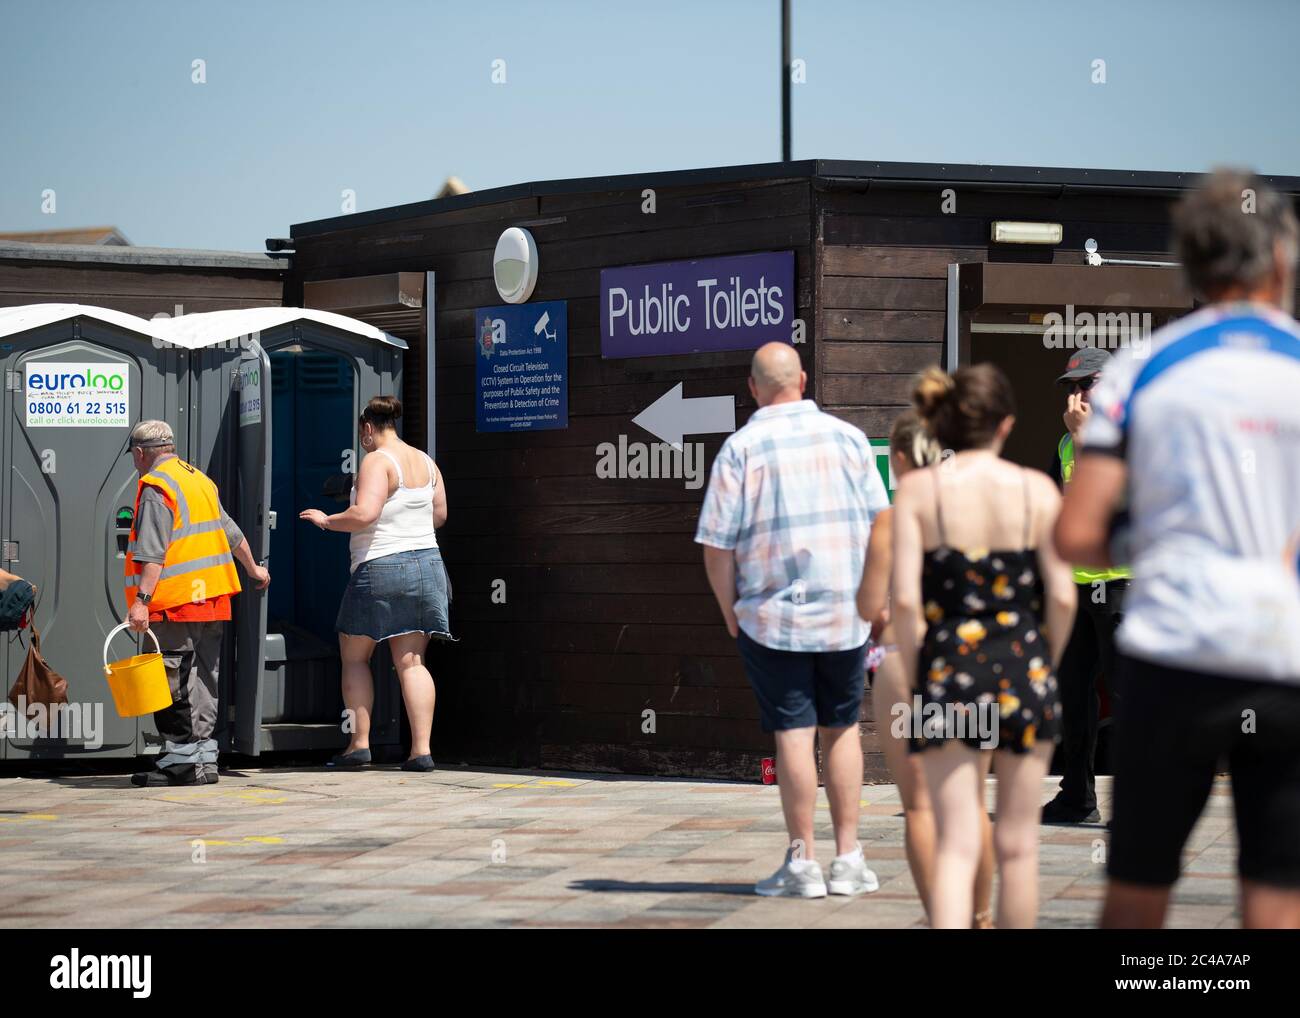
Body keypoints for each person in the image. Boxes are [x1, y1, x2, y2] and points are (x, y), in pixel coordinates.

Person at [1055, 169, 1300, 929]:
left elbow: (1077, 533)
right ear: (1282, 262)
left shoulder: (1139, 370)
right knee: (1275, 893)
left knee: (1136, 892)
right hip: (1279, 658)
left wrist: (1167, 537)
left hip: (1173, 656)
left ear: (1191, 269)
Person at [697, 342, 890, 898]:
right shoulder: (849, 439)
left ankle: (802, 863)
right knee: (844, 727)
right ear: (803, 379)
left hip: (772, 617)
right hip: (845, 613)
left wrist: (730, 609)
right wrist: (877, 600)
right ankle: (850, 858)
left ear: (753, 388)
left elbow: (716, 545)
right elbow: (884, 525)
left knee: (794, 733)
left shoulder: (741, 447)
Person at [892, 366, 1076, 928]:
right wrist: (1043, 662)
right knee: (1019, 846)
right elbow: (1064, 596)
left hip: (950, 668)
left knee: (956, 842)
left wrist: (925, 671)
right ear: (1006, 425)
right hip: (1024, 666)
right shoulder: (1037, 489)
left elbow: (903, 601)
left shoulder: (919, 491)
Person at [857, 410, 996, 927]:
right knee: (971, 805)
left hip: (908, 661)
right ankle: (979, 915)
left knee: (919, 807)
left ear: (897, 459)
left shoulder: (892, 520)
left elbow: (869, 604)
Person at [300, 396, 450, 773]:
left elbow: (364, 514)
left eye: (361, 433)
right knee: (412, 661)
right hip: (429, 565)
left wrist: (326, 520)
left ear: (368, 428)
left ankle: (359, 744)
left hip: (381, 565)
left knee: (355, 656)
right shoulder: (426, 462)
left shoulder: (376, 460)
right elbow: (439, 514)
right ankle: (421, 752)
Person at [123, 420, 270, 787]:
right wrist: (254, 570)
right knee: (204, 678)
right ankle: (203, 760)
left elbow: (153, 552)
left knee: (172, 680)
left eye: (134, 457)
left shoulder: (157, 487)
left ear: (141, 454)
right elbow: (231, 531)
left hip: (176, 603)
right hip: (213, 600)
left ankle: (179, 761)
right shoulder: (199, 480)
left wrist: (142, 601)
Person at [1041, 347, 1132, 825]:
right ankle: (1076, 797)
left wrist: (1082, 440)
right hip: (1077, 588)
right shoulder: (1065, 441)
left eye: (1086, 384)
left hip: (1123, 584)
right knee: (1074, 696)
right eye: (1072, 387)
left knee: (1128, 694)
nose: (1077, 395)